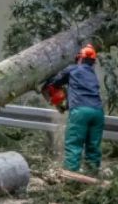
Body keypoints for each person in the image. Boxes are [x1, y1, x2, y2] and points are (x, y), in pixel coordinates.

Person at [45, 44, 105, 174]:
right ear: (93, 62)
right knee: (93, 147)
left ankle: (71, 177)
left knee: (74, 144)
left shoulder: (73, 69)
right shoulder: (92, 75)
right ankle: (92, 175)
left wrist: (50, 84)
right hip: (98, 112)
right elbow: (83, 91)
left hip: (80, 111)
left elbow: (54, 83)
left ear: (80, 59)